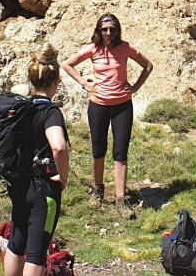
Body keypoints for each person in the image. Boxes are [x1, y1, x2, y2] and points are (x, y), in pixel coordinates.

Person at [3, 45, 70, 276]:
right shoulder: (50, 112)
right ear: (56, 81)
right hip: (42, 188)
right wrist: (63, 177)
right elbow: (59, 146)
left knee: (16, 242)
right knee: (36, 252)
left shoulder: (20, 108)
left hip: (18, 185)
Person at [62, 13, 153, 217]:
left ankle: (121, 200)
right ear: (99, 31)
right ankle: (98, 190)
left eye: (112, 29)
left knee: (120, 152)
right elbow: (67, 64)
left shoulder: (126, 48)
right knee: (98, 150)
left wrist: (135, 87)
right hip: (98, 105)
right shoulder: (93, 49)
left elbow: (148, 66)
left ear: (117, 30)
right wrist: (84, 83)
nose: (109, 33)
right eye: (104, 29)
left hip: (122, 106)